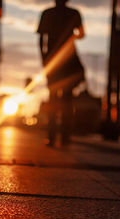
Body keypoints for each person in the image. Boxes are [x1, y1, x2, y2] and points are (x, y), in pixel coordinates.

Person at [37, 0, 85, 146]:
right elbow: (82, 34)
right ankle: (64, 136)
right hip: (68, 59)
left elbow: (41, 39)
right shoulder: (73, 13)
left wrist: (45, 59)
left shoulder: (48, 13)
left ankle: (53, 136)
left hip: (54, 59)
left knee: (54, 97)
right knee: (67, 99)